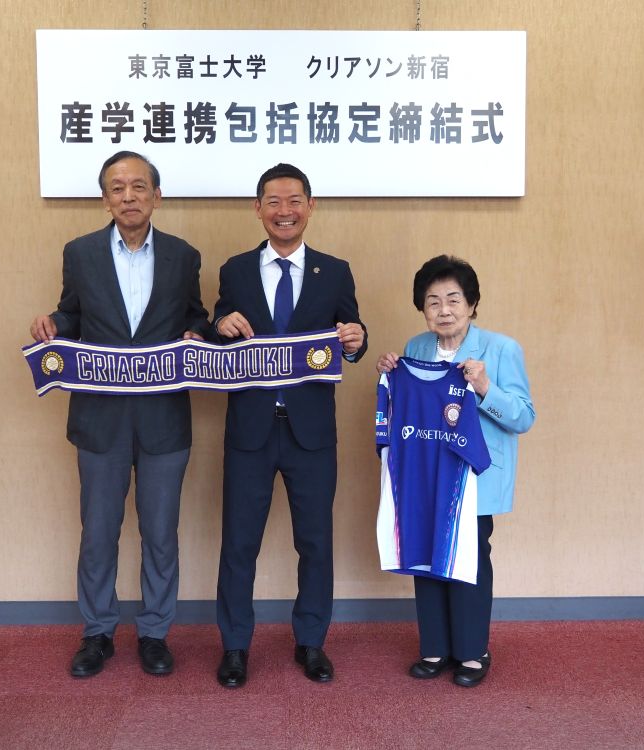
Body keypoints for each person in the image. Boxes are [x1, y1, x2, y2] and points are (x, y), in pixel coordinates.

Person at [29, 151, 210, 678]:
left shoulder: (184, 255)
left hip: (164, 420)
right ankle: (97, 632)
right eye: (117, 188)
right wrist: (53, 324)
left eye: (138, 186)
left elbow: (196, 315)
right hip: (100, 419)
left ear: (157, 195)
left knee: (161, 533)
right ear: (105, 199)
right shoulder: (80, 252)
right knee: (98, 533)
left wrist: (197, 333)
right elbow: (72, 313)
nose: (128, 196)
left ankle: (154, 632)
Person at [212, 163, 368, 688]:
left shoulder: (335, 271)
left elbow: (353, 331)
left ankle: (311, 642)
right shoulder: (235, 270)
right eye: (274, 202)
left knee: (315, 542)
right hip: (250, 431)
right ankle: (235, 645)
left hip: (312, 433)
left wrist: (356, 339)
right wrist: (219, 324)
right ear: (258, 208)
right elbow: (217, 330)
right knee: (239, 543)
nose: (285, 211)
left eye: (295, 200)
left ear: (311, 206)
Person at [376, 254, 535, 687]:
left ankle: (471, 652)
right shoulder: (415, 348)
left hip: (472, 477)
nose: (443, 310)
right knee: (424, 554)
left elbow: (523, 416)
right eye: (433, 301)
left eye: (453, 299)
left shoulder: (501, 350)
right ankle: (435, 647)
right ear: (422, 308)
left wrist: (484, 387)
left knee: (470, 561)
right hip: (425, 474)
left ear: (472, 304)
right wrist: (391, 376)